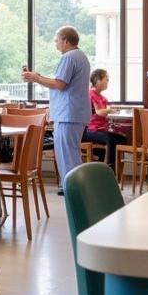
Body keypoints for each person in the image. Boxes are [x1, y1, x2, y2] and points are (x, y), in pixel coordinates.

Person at [21, 26, 91, 195]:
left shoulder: (68, 57)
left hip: (68, 113)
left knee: (66, 153)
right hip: (75, 112)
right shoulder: (81, 56)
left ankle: (73, 189)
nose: (56, 44)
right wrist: (39, 77)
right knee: (71, 152)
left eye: (57, 40)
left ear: (66, 40)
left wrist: (36, 78)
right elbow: (60, 82)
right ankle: (74, 186)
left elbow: (60, 84)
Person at [83, 68, 122, 171]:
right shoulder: (90, 94)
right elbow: (99, 112)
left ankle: (103, 167)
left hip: (100, 129)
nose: (107, 82)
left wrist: (109, 110)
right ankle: (110, 169)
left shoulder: (103, 98)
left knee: (122, 139)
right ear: (98, 80)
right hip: (90, 130)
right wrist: (110, 110)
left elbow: (103, 112)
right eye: (106, 79)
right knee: (111, 139)